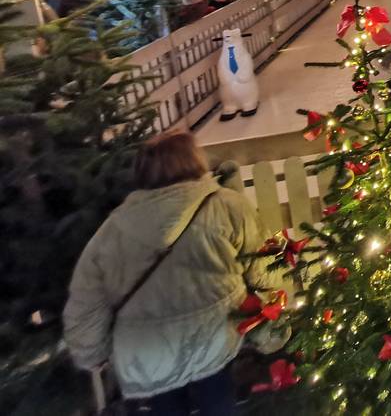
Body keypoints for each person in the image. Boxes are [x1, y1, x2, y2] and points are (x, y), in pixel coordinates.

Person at [63, 132, 266, 414]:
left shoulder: (111, 231)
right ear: (194, 160)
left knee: (165, 403)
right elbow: (261, 266)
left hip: (147, 353)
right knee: (217, 396)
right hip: (214, 336)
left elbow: (87, 301)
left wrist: (90, 353)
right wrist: (272, 323)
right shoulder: (229, 206)